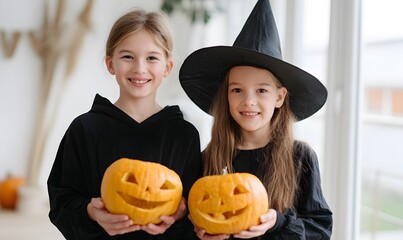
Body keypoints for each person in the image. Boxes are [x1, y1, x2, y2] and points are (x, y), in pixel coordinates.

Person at [179, 0, 333, 239]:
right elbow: (194, 220)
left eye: (261, 91)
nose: (248, 101)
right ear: (226, 96)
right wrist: (199, 233)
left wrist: (278, 223)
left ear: (279, 97)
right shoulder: (208, 158)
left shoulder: (301, 158)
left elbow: (320, 231)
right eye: (237, 90)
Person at [47, 8, 201, 240]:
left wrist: (181, 214)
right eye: (128, 56)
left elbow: (196, 206)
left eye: (152, 58)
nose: (140, 68)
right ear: (111, 64)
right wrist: (91, 212)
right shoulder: (85, 129)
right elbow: (61, 200)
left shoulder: (183, 134)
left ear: (167, 67)